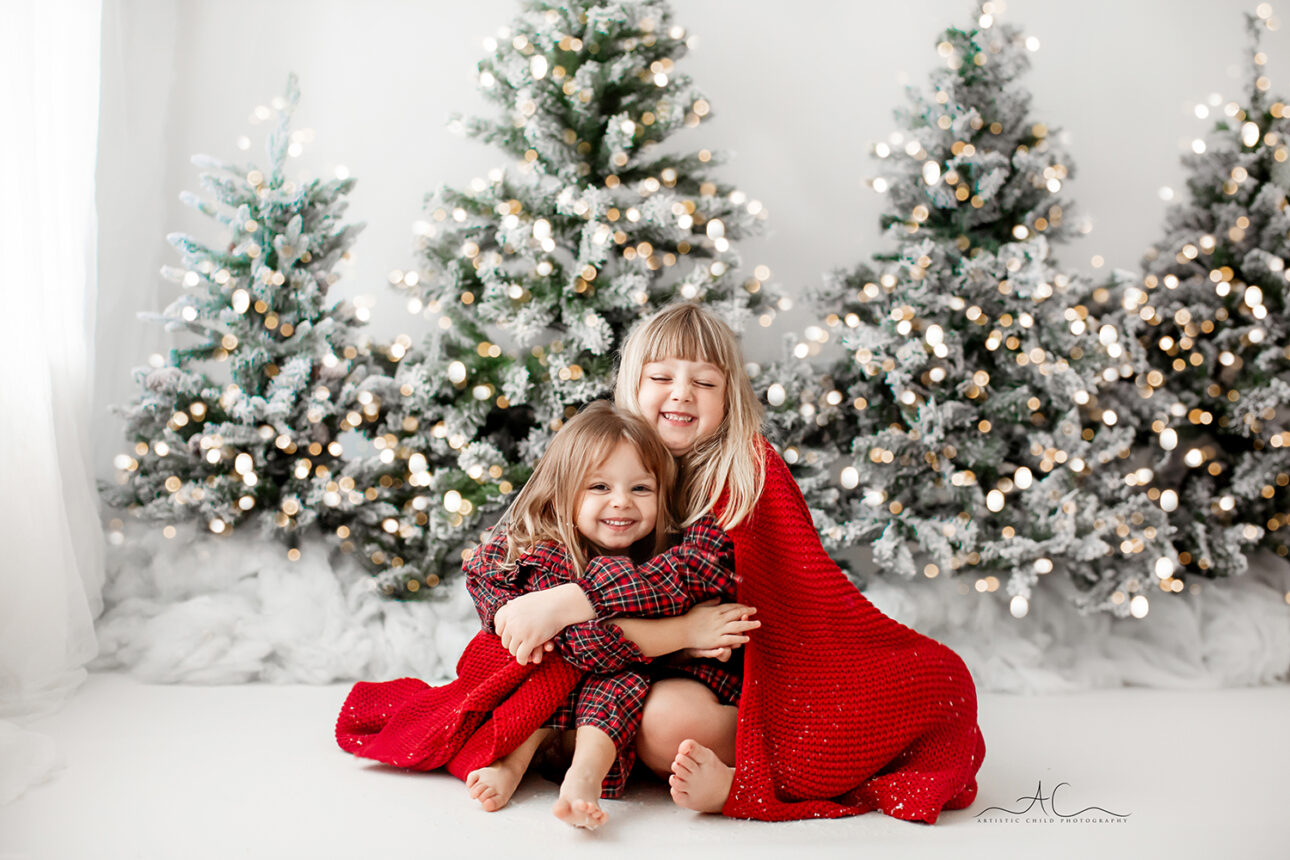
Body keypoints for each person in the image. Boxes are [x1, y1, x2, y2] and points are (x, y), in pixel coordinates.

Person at [612, 302, 986, 822]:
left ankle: (745, 779)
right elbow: (553, 550)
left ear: (729, 398)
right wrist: (673, 633)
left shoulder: (745, 466)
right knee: (653, 719)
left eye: (705, 382)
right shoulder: (608, 464)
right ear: (633, 384)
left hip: (764, 674)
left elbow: (790, 590)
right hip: (650, 662)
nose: (681, 394)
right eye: (661, 377)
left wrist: (580, 604)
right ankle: (723, 760)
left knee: (941, 680)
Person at [335, 401, 758, 830]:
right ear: (564, 492)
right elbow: (582, 643)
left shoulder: (660, 560)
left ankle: (582, 779)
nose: (622, 503)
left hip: (612, 690)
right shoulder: (546, 551)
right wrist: (683, 631)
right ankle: (512, 763)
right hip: (535, 675)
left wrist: (667, 639)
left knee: (616, 678)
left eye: (641, 489)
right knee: (564, 666)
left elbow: (638, 621)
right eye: (599, 487)